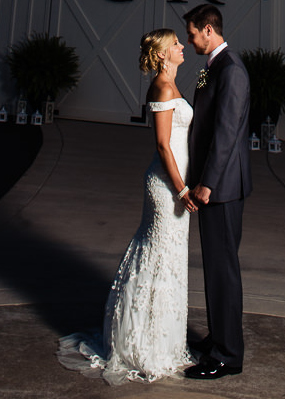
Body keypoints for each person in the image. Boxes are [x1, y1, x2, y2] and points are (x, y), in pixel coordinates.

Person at [57, 28, 197, 385]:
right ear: (164, 54)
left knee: (171, 258)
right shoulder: (163, 88)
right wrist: (182, 190)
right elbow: (164, 145)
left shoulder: (173, 83)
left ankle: (164, 341)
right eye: (177, 44)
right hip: (166, 187)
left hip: (175, 184)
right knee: (158, 255)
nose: (183, 47)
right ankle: (141, 344)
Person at [183, 2, 252, 381]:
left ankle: (228, 355)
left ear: (208, 30)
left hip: (222, 188)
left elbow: (226, 134)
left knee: (223, 270)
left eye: (193, 33)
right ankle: (221, 337)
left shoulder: (232, 71)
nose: (190, 40)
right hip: (216, 185)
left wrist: (206, 183)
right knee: (216, 268)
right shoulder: (212, 69)